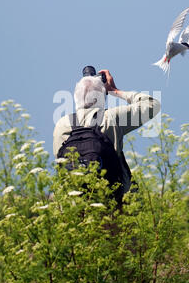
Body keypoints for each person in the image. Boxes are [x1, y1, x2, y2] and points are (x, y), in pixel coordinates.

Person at [53, 69, 160, 200]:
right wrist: (115, 90)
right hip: (113, 202)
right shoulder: (111, 118)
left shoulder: (61, 125)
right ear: (101, 97)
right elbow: (152, 104)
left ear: (75, 98)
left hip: (76, 206)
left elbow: (60, 164)